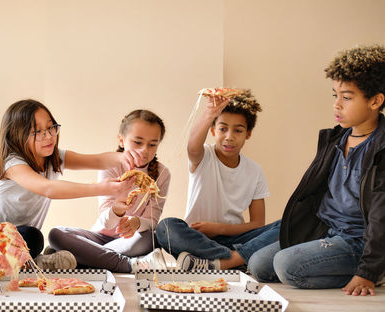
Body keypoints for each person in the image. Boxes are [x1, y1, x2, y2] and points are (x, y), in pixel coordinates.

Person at [248, 45, 385, 296]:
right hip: (325, 231)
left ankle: (377, 270)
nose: (337, 105)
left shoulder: (380, 149)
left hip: (358, 242)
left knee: (286, 266)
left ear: (375, 101)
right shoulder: (334, 140)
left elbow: (381, 218)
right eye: (335, 95)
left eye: (347, 97)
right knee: (258, 265)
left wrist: (367, 272)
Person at [0, 99, 139, 278]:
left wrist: (121, 157)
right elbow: (48, 188)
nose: (48, 136)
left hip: (19, 236)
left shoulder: (56, 158)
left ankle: (24, 263)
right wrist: (102, 188)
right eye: (37, 132)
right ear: (17, 136)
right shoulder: (12, 163)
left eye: (51, 127)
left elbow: (97, 160)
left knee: (32, 237)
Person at [156, 90, 280, 271]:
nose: (229, 136)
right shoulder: (203, 156)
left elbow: (257, 224)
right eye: (223, 129)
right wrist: (209, 114)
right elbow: (191, 145)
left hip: (234, 239)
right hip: (196, 238)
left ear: (248, 133)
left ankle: (217, 262)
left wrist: (219, 229)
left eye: (238, 130)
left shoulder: (255, 171)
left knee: (286, 226)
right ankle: (235, 260)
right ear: (213, 130)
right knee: (166, 227)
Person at [48, 110, 171, 273]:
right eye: (137, 142)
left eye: (152, 144)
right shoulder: (110, 165)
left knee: (150, 238)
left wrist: (137, 222)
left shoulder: (162, 174)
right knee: (56, 234)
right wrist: (117, 210)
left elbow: (152, 220)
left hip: (131, 240)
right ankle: (126, 264)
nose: (144, 150)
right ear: (121, 140)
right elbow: (106, 223)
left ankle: (81, 257)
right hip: (99, 237)